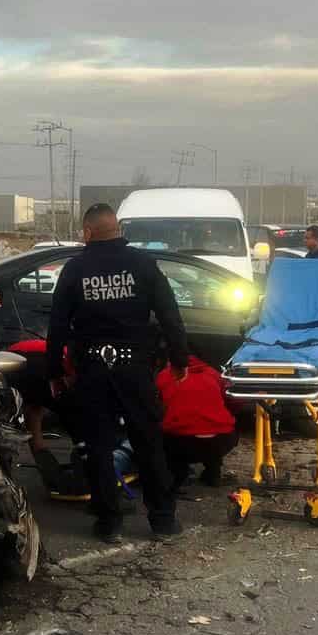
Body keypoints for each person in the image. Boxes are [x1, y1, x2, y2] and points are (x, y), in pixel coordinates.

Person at [47, 202, 189, 542]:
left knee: (97, 445)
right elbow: (170, 315)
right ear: (118, 230)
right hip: (135, 369)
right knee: (148, 442)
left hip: (94, 370)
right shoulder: (143, 264)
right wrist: (179, 359)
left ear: (87, 232)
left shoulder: (75, 269)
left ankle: (108, 522)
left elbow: (58, 324)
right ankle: (163, 520)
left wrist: (55, 370)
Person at [157, 356, 239, 488]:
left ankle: (178, 476)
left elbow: (157, 407)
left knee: (165, 435)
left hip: (181, 442)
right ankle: (213, 474)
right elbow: (233, 401)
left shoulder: (164, 375)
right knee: (216, 428)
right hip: (222, 440)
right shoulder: (214, 373)